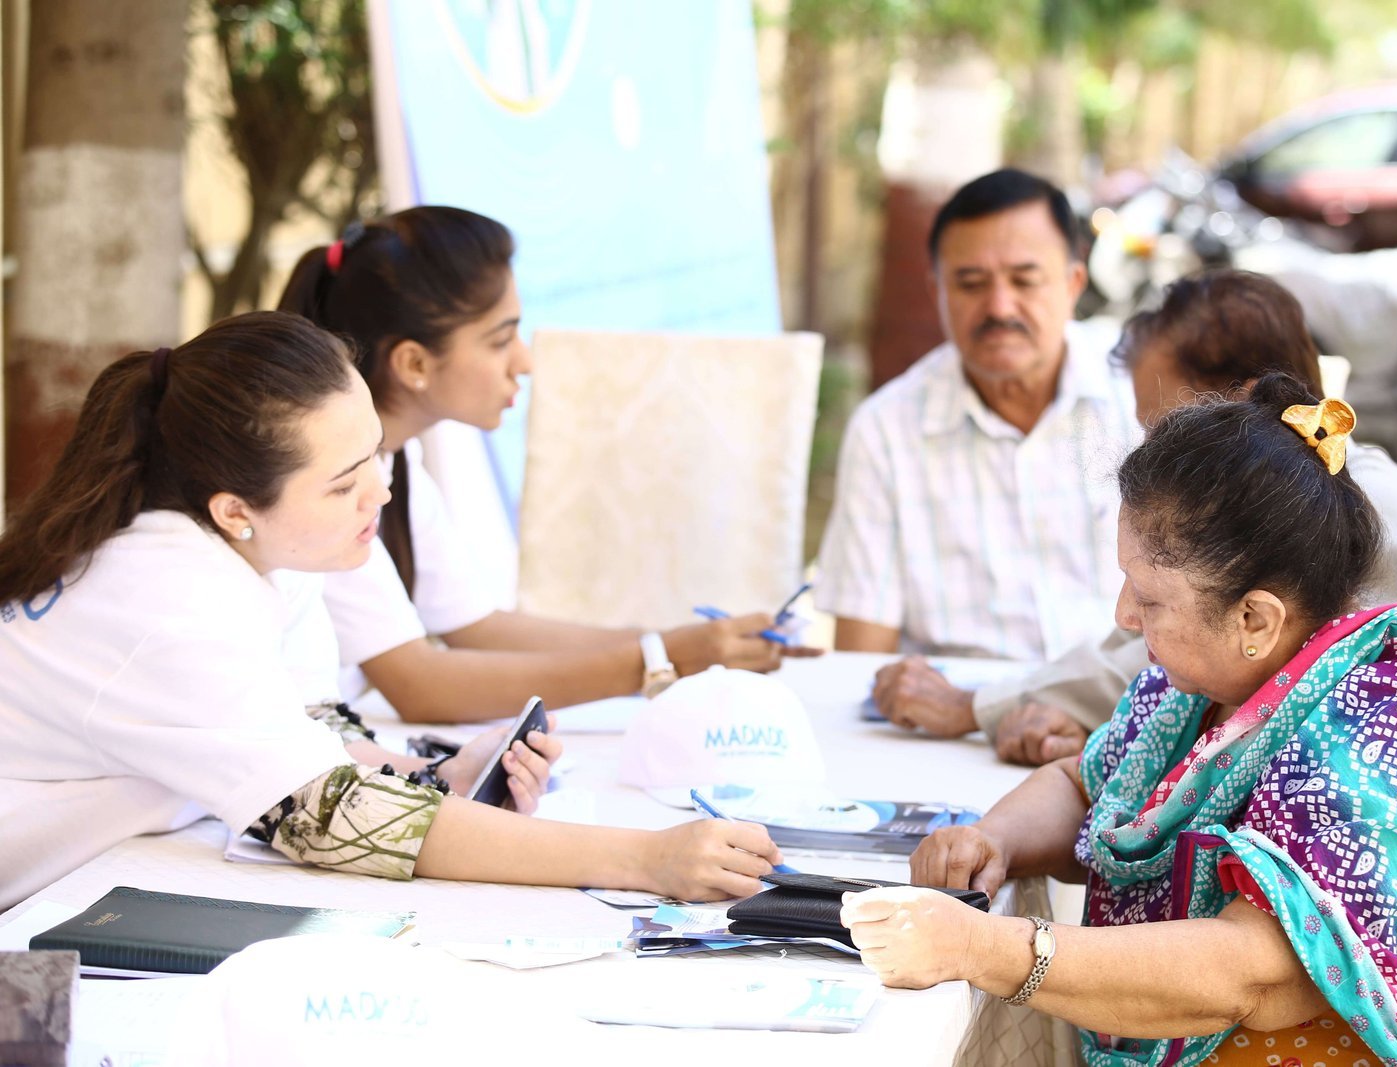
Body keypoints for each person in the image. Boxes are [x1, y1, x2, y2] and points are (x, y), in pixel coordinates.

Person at [844, 373, 1397, 1064]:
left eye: (1150, 598)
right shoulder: (1198, 688)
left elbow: (1252, 973)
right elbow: (1090, 784)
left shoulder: (1391, 730)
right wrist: (995, 838)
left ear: (1255, 619)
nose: (1123, 614)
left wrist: (987, 949)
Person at [0, 313, 784, 911]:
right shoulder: (170, 600)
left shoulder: (254, 551)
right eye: (343, 483)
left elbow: (298, 728)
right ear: (235, 508)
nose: (381, 490)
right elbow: (325, 816)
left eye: (375, 457)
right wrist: (645, 859)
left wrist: (436, 776)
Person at [277, 206, 804, 722]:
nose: (524, 362)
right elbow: (419, 685)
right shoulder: (326, 485)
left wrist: (693, 644)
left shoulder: (397, 460)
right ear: (414, 363)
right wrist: (660, 660)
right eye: (500, 340)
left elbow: (475, 627)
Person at [813, 168, 1141, 661]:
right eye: (970, 284)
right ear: (937, 292)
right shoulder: (885, 430)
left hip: (1130, 700)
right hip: (955, 707)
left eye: (1025, 280)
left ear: (1074, 283)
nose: (999, 307)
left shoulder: (1138, 391)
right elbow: (863, 659)